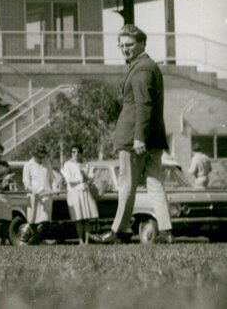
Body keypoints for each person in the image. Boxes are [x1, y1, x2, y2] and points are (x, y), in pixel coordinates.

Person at [98, 25, 173, 244]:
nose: (125, 49)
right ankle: (166, 231)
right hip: (153, 137)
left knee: (126, 185)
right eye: (121, 45)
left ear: (142, 44)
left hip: (134, 137)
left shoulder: (141, 69)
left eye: (129, 44)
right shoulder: (148, 66)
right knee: (155, 183)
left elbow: (144, 104)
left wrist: (139, 137)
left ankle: (119, 231)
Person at [60, 144, 98, 245]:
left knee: (87, 218)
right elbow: (69, 180)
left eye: (78, 152)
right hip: (75, 193)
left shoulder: (85, 164)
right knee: (78, 218)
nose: (76, 154)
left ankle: (87, 241)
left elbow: (91, 177)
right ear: (71, 153)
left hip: (85, 192)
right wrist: (81, 179)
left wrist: (87, 176)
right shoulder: (67, 165)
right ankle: (80, 241)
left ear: (81, 153)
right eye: (74, 152)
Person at [22, 146, 51, 244]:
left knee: (45, 219)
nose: (41, 159)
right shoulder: (28, 165)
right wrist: (34, 190)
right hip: (33, 196)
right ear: (34, 155)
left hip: (46, 196)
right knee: (33, 220)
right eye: (39, 157)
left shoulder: (47, 164)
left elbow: (52, 178)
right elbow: (26, 183)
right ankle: (35, 239)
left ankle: (35, 239)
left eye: (43, 156)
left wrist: (55, 187)